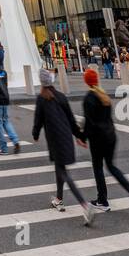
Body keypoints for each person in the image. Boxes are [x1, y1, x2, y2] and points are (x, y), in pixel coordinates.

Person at [81, 69, 129, 214]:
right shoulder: (103, 96)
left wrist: (82, 138)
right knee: (111, 167)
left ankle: (102, 201)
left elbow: (89, 123)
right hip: (111, 136)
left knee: (98, 168)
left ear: (86, 81)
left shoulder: (89, 98)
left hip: (98, 139)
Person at [31, 70, 92, 225]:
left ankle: (85, 204)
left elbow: (38, 120)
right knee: (60, 169)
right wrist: (79, 136)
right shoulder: (61, 97)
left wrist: (35, 134)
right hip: (65, 138)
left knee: (63, 172)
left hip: (55, 141)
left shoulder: (42, 99)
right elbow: (72, 120)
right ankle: (59, 199)